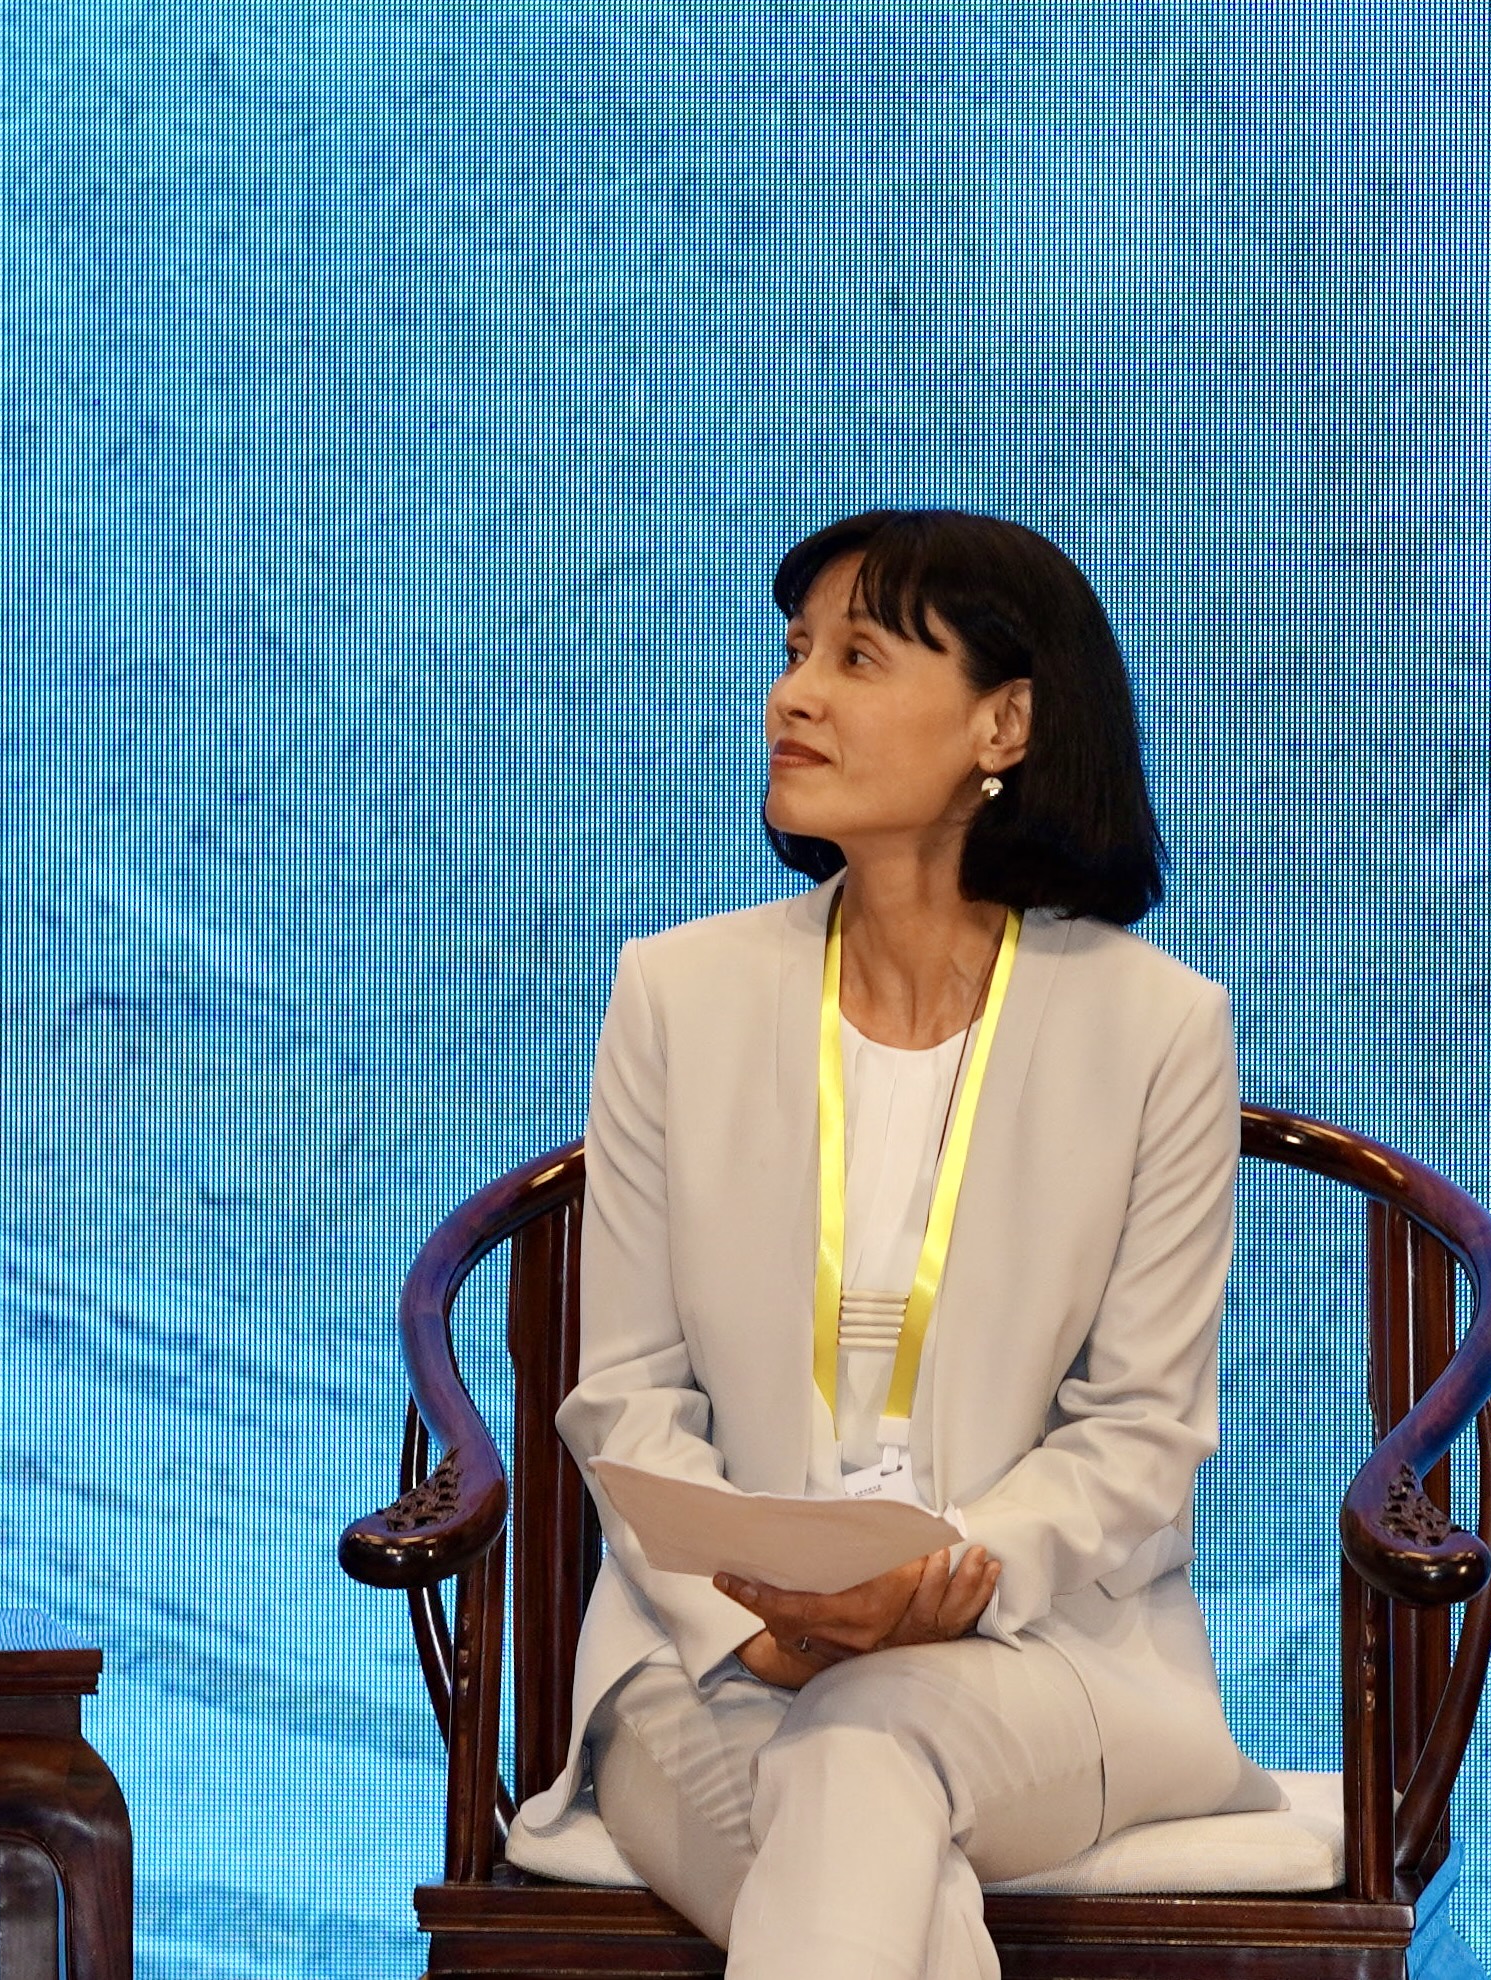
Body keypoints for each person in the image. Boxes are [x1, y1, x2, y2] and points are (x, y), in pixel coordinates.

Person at [511, 509, 1279, 1979]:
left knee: (864, 1742)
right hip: (707, 1657)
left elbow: (1141, 1427)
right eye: (794, 651)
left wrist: (953, 1578)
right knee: (859, 1798)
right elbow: (625, 1395)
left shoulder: (1155, 1026)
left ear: (1004, 723)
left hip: (1048, 1659)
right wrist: (766, 1624)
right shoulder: (676, 996)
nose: (791, 696)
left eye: (856, 658)